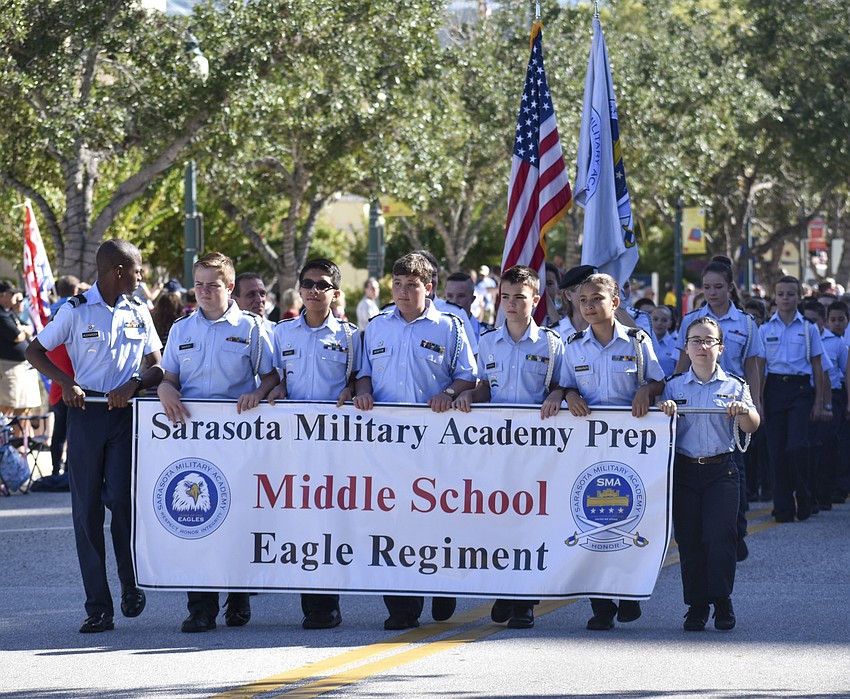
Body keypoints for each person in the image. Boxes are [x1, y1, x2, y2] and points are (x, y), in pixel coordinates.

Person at [26, 239, 163, 633]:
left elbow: (157, 364)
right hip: (85, 415)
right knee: (87, 511)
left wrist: (135, 383)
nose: (141, 277)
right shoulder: (75, 310)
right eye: (137, 270)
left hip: (123, 416)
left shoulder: (139, 311)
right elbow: (35, 351)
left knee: (122, 500)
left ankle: (130, 584)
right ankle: (98, 606)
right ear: (118, 270)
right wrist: (66, 383)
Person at [353, 252, 476, 630]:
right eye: (398, 284)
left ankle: (442, 588)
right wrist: (363, 392)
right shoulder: (376, 326)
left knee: (437, 520)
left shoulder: (450, 327)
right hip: (387, 445)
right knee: (393, 523)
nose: (403, 292)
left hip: (437, 444)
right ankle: (401, 608)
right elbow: (363, 374)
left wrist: (450, 392)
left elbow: (468, 377)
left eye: (412, 285)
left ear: (429, 287)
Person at [157, 252, 277, 633]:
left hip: (238, 443)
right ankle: (201, 609)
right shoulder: (181, 330)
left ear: (229, 286)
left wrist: (259, 393)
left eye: (213, 284)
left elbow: (271, 377)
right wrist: (164, 389)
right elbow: (170, 378)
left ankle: (238, 597)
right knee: (197, 521)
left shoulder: (253, 328)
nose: (205, 291)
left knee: (237, 520)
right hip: (192, 442)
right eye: (199, 284)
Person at [453, 265, 565, 629]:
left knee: (530, 525)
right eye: (506, 297)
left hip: (537, 451)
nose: (513, 304)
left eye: (521, 297)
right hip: (497, 449)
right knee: (500, 523)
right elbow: (487, 387)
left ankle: (524, 602)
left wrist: (558, 396)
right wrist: (469, 395)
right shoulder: (487, 342)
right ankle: (505, 589)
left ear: (535, 299)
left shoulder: (552, 343)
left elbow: (562, 386)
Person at [560, 272, 664, 631]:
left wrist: (645, 391)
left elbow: (658, 378)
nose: (589, 306)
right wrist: (570, 395)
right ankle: (601, 605)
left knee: (630, 518)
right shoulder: (572, 345)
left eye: (597, 299)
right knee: (594, 519)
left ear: (614, 303)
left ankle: (630, 592)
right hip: (590, 448)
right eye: (583, 300)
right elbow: (563, 385)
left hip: (632, 449)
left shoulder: (636, 341)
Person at [267, 258, 361, 630]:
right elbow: (276, 378)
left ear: (335, 293)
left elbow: (359, 380)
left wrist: (352, 389)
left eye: (322, 285)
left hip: (336, 445)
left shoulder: (352, 336)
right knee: (303, 522)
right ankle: (312, 604)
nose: (313, 290)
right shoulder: (283, 333)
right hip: (294, 443)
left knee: (331, 521)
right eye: (307, 283)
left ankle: (328, 604)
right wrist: (276, 387)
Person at [658, 316, 760, 631]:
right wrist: (665, 411)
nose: (703, 347)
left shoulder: (735, 385)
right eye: (696, 341)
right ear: (686, 347)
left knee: (720, 538)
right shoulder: (672, 386)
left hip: (722, 471)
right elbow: (657, 429)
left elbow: (752, 425)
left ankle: (722, 600)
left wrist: (743, 412)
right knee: (689, 541)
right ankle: (697, 606)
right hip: (685, 472)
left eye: (709, 341)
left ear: (721, 348)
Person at [675, 256, 764, 561]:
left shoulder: (746, 323)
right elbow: (682, 363)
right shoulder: (691, 321)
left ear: (730, 287)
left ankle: (733, 532)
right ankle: (718, 533)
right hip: (698, 401)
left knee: (734, 472)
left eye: (718, 287)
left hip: (732, 403)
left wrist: (755, 401)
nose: (712, 293)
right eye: (707, 287)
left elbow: (753, 365)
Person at [759, 276, 826, 523]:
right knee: (776, 450)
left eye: (790, 294)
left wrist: (819, 402)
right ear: (774, 297)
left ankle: (805, 495)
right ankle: (783, 506)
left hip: (800, 390)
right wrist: (759, 401)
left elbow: (818, 366)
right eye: (781, 294)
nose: (785, 298)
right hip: (774, 389)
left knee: (796, 447)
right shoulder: (765, 329)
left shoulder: (808, 328)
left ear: (799, 297)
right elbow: (761, 366)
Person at [0, 282, 34, 417]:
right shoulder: (1, 315)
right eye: (12, 293)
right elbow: (17, 336)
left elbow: (29, 328)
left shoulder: (9, 313)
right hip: (8, 366)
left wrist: (23, 330)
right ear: (2, 295)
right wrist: (22, 331)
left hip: (19, 365)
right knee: (7, 404)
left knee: (17, 405)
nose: (15, 296)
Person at [650, 305, 678, 376]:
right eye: (655, 319)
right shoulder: (643, 343)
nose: (659, 323)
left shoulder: (676, 345)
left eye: (664, 320)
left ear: (670, 323)